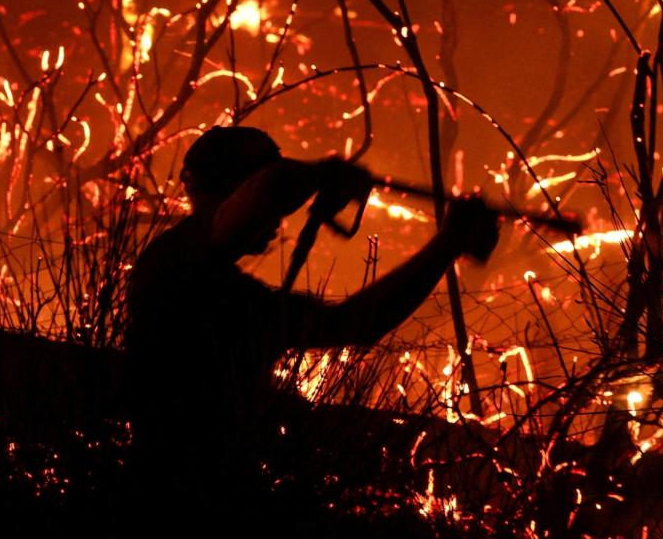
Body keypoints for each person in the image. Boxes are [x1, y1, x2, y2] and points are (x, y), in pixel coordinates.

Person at [123, 126, 501, 525]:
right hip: (177, 501)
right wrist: (320, 175)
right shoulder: (173, 262)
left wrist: (446, 246)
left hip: (209, 496)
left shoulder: (235, 296)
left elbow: (355, 325)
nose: (279, 218)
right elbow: (266, 192)